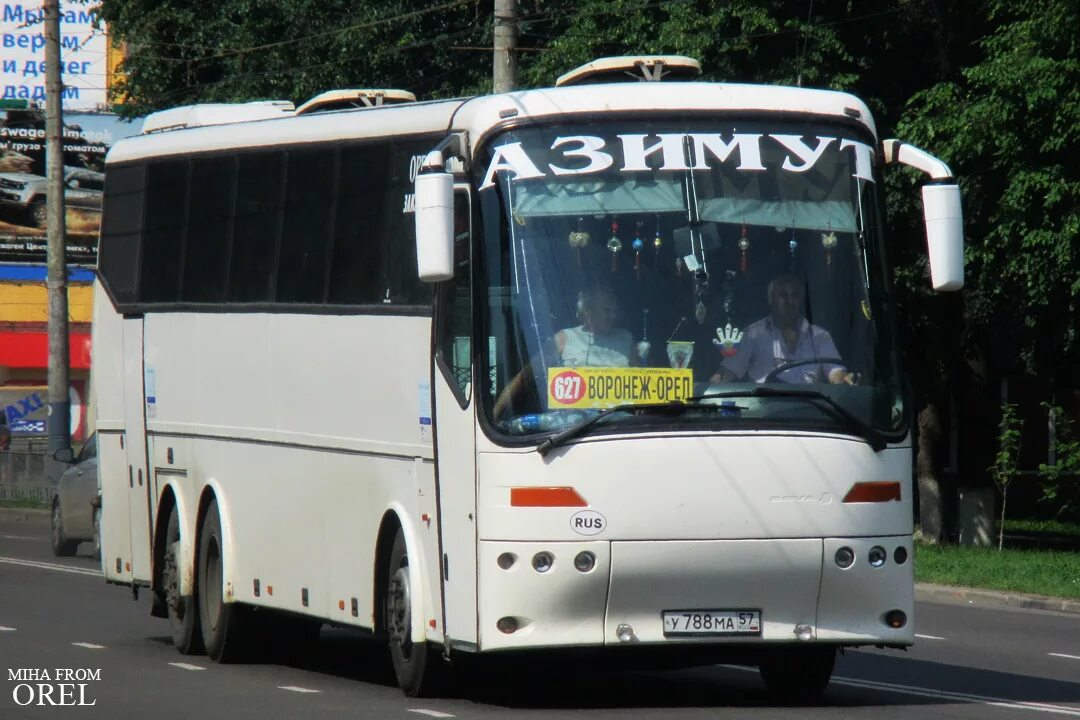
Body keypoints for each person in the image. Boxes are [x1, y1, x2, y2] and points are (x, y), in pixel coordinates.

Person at [493, 285, 639, 418]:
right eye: (607, 310)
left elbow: (641, 383)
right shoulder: (565, 338)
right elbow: (525, 376)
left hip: (620, 424)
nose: (612, 316)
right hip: (574, 427)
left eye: (614, 311)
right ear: (588, 311)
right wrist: (496, 413)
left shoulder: (626, 339)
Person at [710, 273, 855, 385]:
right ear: (771, 299)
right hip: (763, 414)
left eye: (795, 295)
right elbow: (727, 372)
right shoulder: (753, 335)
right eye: (783, 296)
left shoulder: (820, 337)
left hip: (810, 411)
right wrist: (707, 390)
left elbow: (836, 374)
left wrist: (845, 379)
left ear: (802, 300)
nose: (790, 301)